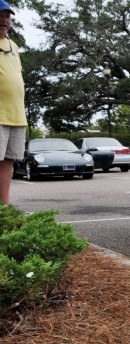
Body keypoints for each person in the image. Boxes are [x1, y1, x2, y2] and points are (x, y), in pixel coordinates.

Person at [0, 0, 27, 205]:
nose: (4, 20)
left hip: (16, 115)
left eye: (7, 17)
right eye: (0, 15)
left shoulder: (13, 46)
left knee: (8, 162)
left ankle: (4, 207)